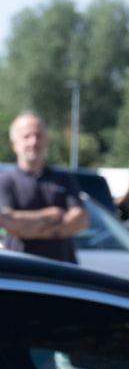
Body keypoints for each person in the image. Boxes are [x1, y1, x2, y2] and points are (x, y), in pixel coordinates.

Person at [0, 111, 88, 262]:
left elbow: (80, 220)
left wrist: (28, 228)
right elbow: (7, 221)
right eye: (26, 136)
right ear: (14, 144)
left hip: (63, 269)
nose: (33, 142)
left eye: (38, 136)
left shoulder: (64, 179)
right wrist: (50, 215)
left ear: (47, 141)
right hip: (21, 270)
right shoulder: (5, 181)